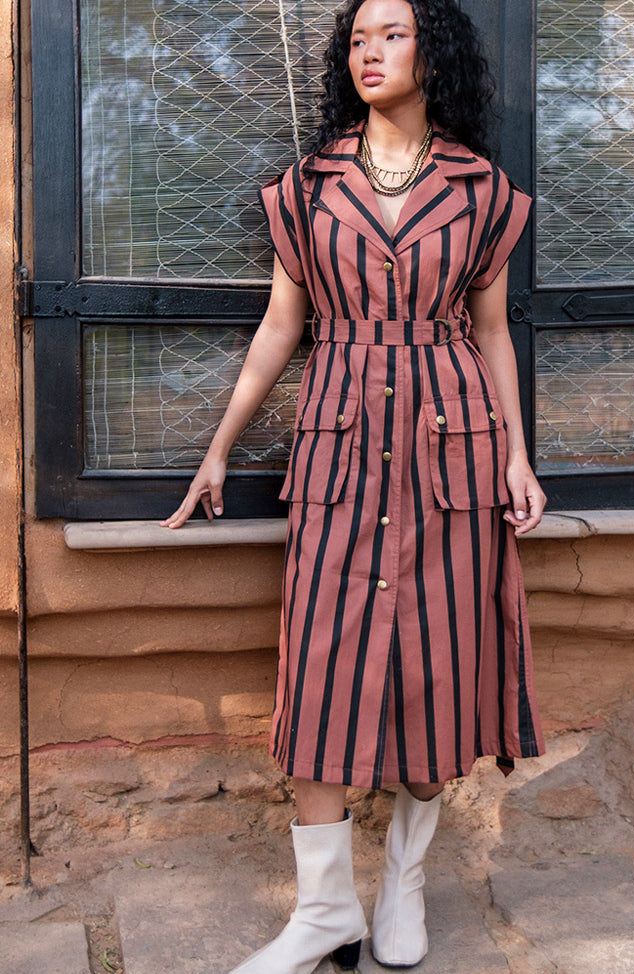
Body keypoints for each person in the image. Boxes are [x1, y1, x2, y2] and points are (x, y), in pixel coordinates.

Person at [162, 1, 546, 971]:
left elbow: (493, 331)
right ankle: (325, 909)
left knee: (438, 672)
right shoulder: (311, 186)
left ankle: (404, 884)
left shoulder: (481, 192)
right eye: (358, 40)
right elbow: (278, 329)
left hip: (451, 449)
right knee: (323, 676)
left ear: (435, 50)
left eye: (394, 34)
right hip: (336, 449)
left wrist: (516, 454)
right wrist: (219, 446)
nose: (370, 52)